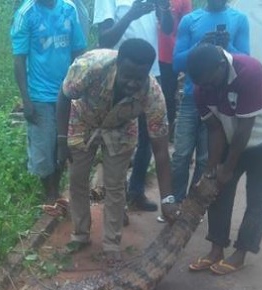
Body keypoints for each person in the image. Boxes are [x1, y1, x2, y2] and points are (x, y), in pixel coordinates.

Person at [56, 39, 178, 265]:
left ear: (148, 73)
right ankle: (80, 235)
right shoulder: (90, 67)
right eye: (127, 76)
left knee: (115, 185)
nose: (132, 84)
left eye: (138, 79)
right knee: (77, 179)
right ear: (117, 64)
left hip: (121, 128)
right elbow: (63, 97)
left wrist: (168, 198)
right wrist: (61, 139)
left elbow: (160, 150)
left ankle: (112, 243)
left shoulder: (153, 94)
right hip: (83, 121)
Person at [187, 44, 262, 275]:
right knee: (217, 191)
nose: (208, 87)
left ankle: (241, 254)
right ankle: (216, 249)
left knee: (257, 200)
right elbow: (214, 129)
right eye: (203, 84)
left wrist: (228, 168)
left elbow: (245, 128)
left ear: (221, 65)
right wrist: (212, 169)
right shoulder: (201, 88)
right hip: (233, 139)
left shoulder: (249, 70)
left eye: (211, 81)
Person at [94, 0, 173, 212]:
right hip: (122, 78)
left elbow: (167, 29)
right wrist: (131, 14)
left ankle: (135, 191)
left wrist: (164, 9)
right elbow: (104, 40)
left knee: (149, 138)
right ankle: (117, 201)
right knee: (118, 139)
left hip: (151, 74)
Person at [172, 0, 249, 203]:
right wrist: (200, 46)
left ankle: (192, 204)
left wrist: (227, 45)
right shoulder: (190, 20)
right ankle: (175, 200)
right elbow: (177, 63)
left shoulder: (239, 20)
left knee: (206, 159)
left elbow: (246, 61)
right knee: (181, 154)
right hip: (192, 96)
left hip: (221, 101)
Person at [11, 0, 86, 204]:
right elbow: (19, 59)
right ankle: (50, 192)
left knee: (63, 144)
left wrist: (79, 88)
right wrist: (26, 99)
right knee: (43, 149)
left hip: (68, 91)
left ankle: (56, 189)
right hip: (40, 95)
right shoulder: (26, 14)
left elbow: (78, 50)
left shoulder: (69, 9)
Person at [158, 0, 192, 141]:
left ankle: (167, 132)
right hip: (151, 49)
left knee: (168, 94)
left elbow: (186, 25)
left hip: (169, 53)